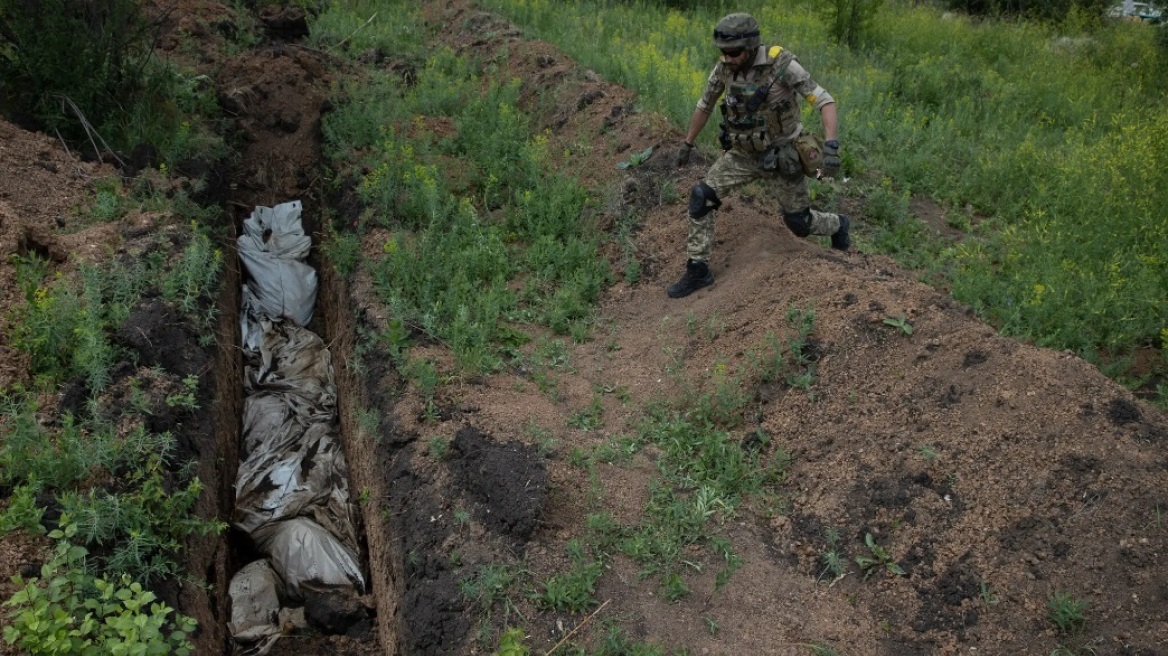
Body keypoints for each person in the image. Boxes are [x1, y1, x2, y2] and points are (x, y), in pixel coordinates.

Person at [669, 12, 851, 299]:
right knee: (701, 197)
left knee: (799, 224)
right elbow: (705, 105)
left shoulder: (782, 66)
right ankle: (698, 270)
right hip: (742, 155)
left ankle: (838, 224)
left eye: (734, 52)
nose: (728, 58)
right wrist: (687, 143)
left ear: (751, 46)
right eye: (724, 52)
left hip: (783, 156)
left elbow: (824, 101)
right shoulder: (724, 69)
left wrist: (831, 147)